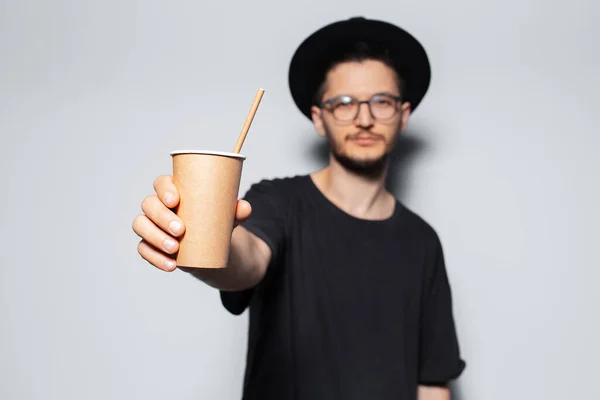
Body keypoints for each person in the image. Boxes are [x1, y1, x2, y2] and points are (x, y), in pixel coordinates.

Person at [132, 16, 466, 400]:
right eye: (343, 103)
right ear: (318, 118)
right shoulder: (280, 202)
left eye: (381, 101)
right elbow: (247, 258)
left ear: (403, 116)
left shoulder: (422, 241)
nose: (364, 118)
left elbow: (432, 382)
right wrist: (200, 237)